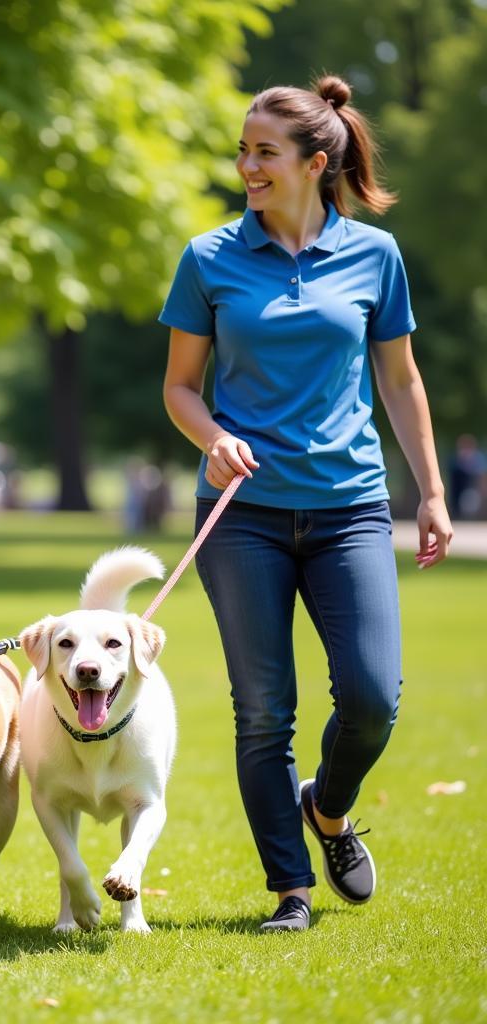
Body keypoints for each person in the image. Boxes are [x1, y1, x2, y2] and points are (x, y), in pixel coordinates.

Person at [160, 76, 453, 931]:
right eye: (243, 150)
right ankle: (290, 890)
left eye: (263, 152)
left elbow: (399, 379)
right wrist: (212, 436)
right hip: (240, 516)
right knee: (263, 712)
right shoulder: (209, 257)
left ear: (314, 164)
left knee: (372, 696)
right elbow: (180, 388)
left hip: (349, 507)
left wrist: (431, 492)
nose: (246, 165)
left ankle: (327, 807)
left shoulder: (375, 256)